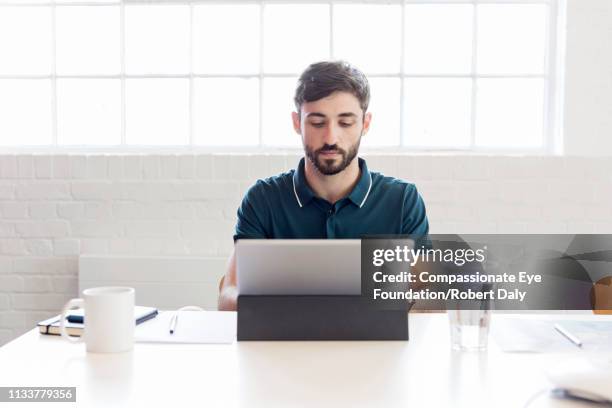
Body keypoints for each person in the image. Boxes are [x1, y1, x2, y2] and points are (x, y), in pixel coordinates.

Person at [218, 60, 430, 311]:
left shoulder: (403, 201)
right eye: (317, 123)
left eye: (345, 123)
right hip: (284, 347)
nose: (330, 138)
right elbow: (229, 296)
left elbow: (426, 295)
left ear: (366, 123)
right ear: (298, 123)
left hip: (376, 347)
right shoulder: (263, 199)